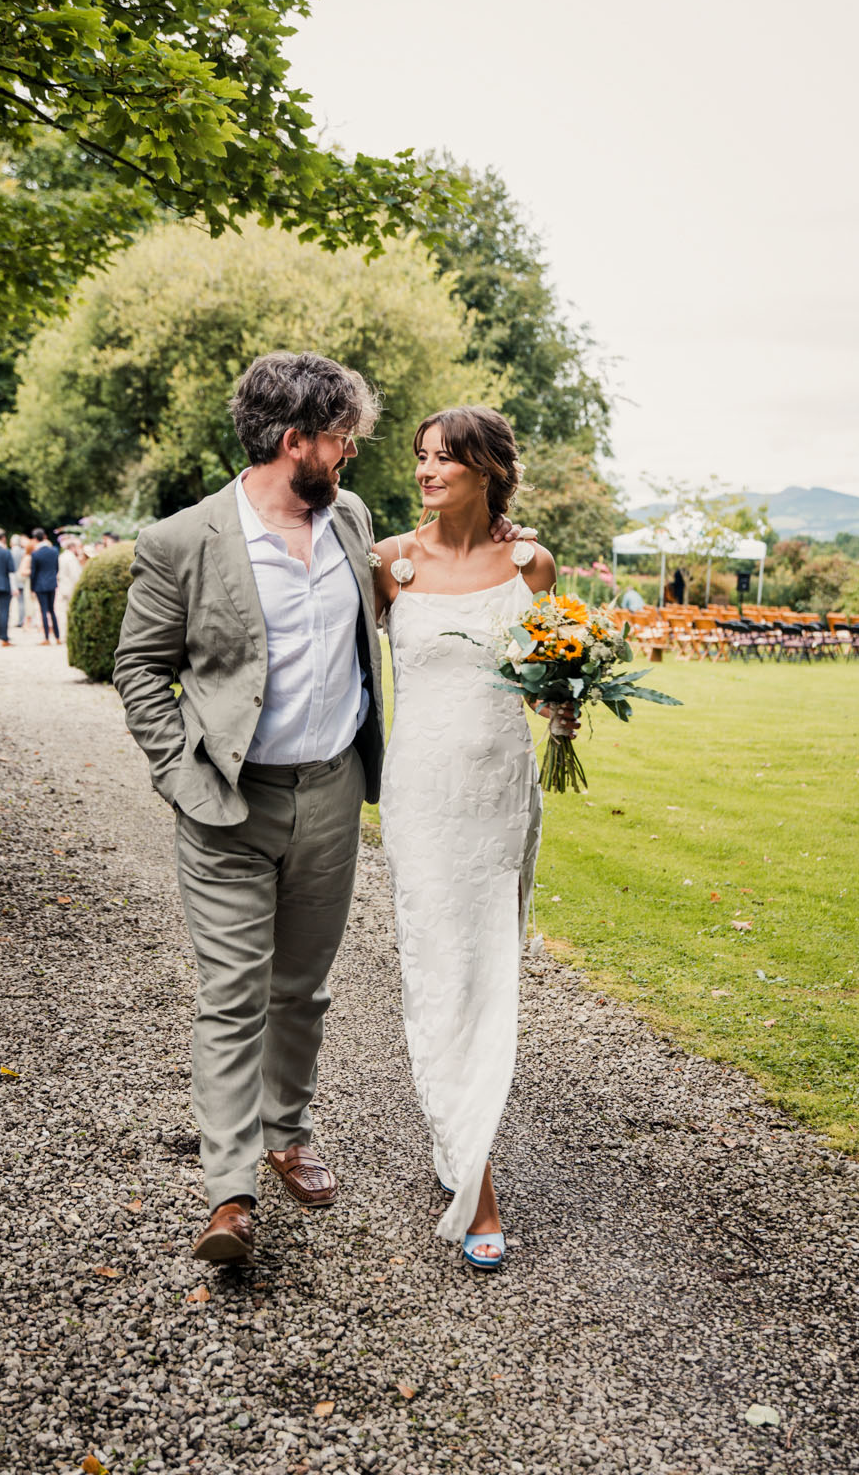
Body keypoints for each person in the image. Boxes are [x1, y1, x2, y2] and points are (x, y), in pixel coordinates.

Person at [114, 352, 525, 1265]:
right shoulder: (181, 541)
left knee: (301, 989)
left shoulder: (355, 524)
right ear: (295, 440)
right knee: (231, 994)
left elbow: (449, 598)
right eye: (342, 439)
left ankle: (287, 1132)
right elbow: (140, 670)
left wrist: (499, 538)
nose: (353, 455)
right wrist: (182, 776)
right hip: (226, 800)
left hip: (336, 791)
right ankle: (231, 1195)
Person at [371, 405, 576, 1270]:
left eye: (445, 460)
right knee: (438, 965)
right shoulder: (387, 563)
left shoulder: (529, 564)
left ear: (488, 469)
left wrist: (561, 706)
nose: (427, 472)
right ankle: (475, 1179)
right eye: (421, 458)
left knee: (487, 970)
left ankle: (459, 1136)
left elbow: (536, 681)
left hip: (498, 795)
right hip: (419, 794)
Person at [29, 528, 61, 644]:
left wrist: (32, 588)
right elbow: (56, 568)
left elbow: (33, 573)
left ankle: (46, 638)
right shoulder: (54, 551)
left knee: (43, 611)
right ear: (45, 536)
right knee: (52, 610)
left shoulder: (36, 554)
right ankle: (57, 637)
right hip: (52, 584)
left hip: (40, 585)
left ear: (35, 539)